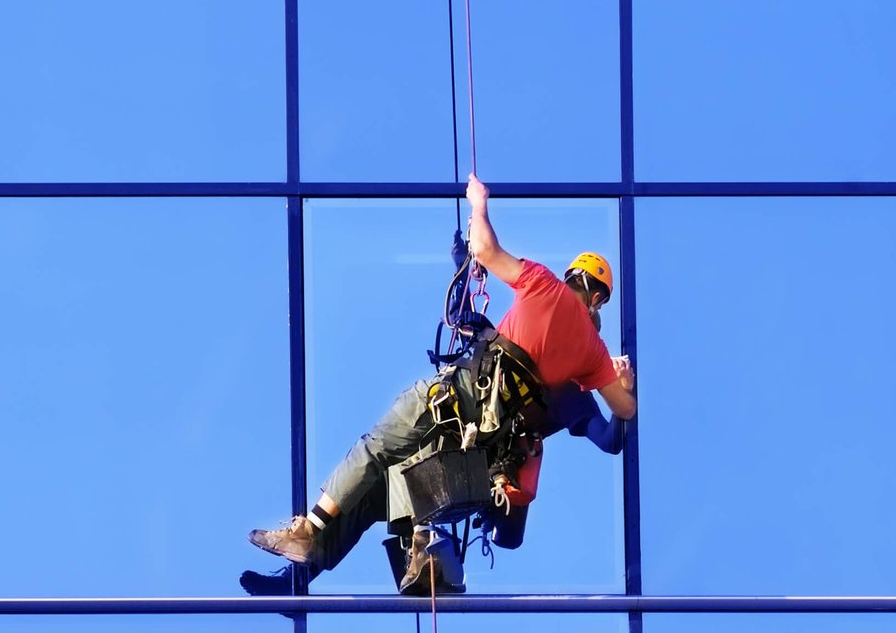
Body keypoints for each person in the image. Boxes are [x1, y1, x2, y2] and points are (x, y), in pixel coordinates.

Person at [249, 173, 636, 572]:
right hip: (483, 447)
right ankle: (311, 568)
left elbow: (485, 261)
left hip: (456, 408)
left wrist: (478, 203)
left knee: (374, 450)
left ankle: (309, 533)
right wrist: (624, 382)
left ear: (571, 278)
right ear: (596, 299)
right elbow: (618, 422)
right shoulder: (592, 358)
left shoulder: (544, 287)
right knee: (380, 494)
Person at [239, 383, 626, 595]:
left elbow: (609, 439)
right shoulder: (527, 342)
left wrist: (623, 396)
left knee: (404, 460)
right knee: (368, 492)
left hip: (466, 464)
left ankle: (424, 552)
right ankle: (297, 581)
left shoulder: (575, 394)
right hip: (455, 454)